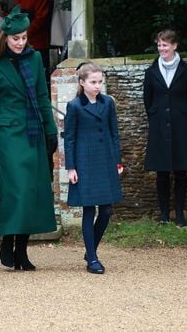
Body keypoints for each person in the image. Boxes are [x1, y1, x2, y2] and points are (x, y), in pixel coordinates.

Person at [0, 6, 58, 271]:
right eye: (16, 38)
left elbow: (43, 96)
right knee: (18, 190)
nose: (21, 42)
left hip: (33, 128)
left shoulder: (34, 58)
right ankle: (8, 239)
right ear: (6, 37)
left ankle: (21, 249)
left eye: (24, 37)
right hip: (8, 132)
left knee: (34, 190)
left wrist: (51, 131)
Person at [64, 62, 122, 275]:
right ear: (82, 82)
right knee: (89, 209)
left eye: (100, 82)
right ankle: (93, 259)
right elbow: (69, 138)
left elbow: (114, 133)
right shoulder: (75, 106)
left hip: (106, 159)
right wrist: (70, 167)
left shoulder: (108, 103)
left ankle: (91, 250)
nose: (97, 86)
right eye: (93, 82)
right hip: (84, 162)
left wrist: (118, 160)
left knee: (106, 210)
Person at [143, 29, 187, 227]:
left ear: (174, 45)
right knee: (162, 172)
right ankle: (164, 214)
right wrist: (157, 117)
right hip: (158, 127)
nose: (161, 48)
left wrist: (182, 119)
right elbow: (147, 100)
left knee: (181, 171)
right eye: (159, 45)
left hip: (181, 126)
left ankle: (180, 214)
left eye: (165, 45)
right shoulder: (151, 72)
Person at [14, 0, 52, 83]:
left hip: (37, 44)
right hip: (21, 42)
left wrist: (23, 35)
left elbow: (40, 19)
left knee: (37, 76)